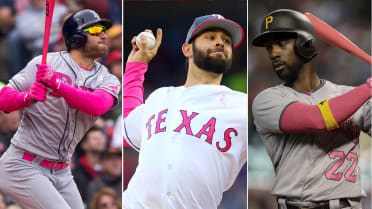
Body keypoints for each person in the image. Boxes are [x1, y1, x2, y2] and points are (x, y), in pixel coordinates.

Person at [123, 14, 246, 208]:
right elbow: (128, 125)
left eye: (227, 41)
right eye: (210, 37)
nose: (220, 43)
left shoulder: (241, 106)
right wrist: (136, 66)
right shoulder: (160, 96)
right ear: (187, 49)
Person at [0, 9, 120, 209]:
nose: (104, 35)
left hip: (61, 171)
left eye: (104, 30)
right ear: (77, 37)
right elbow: (3, 99)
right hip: (23, 163)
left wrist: (58, 85)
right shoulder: (46, 63)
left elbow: (97, 105)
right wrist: (27, 97)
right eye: (96, 30)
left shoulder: (106, 78)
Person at [251, 9, 371, 209]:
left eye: (281, 44)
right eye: (269, 47)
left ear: (305, 45)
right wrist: (369, 87)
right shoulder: (267, 100)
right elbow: (318, 119)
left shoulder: (350, 96)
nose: (273, 53)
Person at [73, 126, 107, 205]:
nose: (100, 141)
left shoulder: (110, 169)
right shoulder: (76, 174)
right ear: (84, 145)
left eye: (101, 138)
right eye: (95, 139)